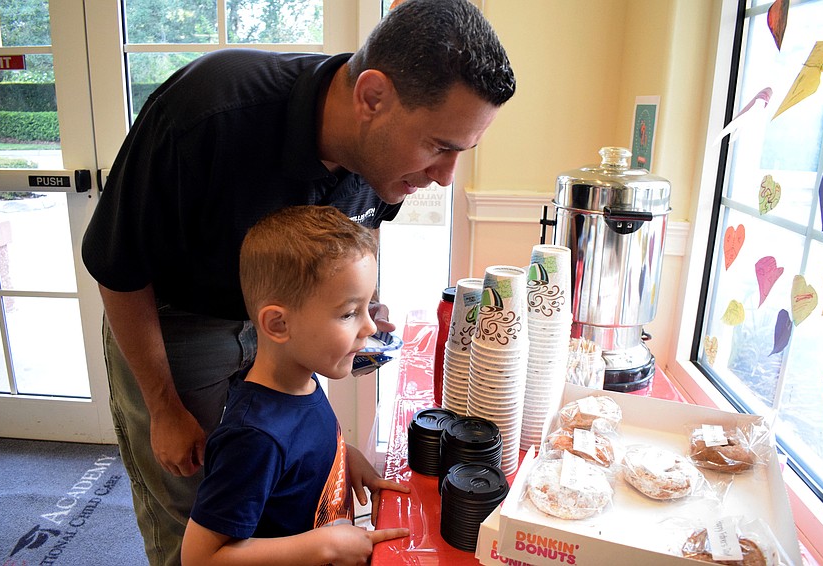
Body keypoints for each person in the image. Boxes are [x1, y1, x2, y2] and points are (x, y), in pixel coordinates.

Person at [80, 0, 515, 563]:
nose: (444, 177)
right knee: (196, 513)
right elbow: (119, 267)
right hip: (174, 325)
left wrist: (360, 307)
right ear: (372, 97)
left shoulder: (383, 165)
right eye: (439, 146)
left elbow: (362, 233)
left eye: (463, 151)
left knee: (277, 489)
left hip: (283, 332)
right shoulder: (209, 113)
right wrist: (163, 407)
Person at [180, 206, 410, 566]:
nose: (368, 327)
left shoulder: (303, 378)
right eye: (349, 313)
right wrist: (324, 546)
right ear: (279, 324)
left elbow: (297, 449)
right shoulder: (254, 438)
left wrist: (344, 455)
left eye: (368, 307)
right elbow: (200, 557)